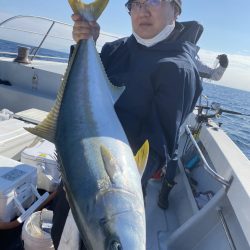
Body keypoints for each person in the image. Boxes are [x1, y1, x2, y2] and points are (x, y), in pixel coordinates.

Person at [51, 0, 220, 247]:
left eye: (153, 0)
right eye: (135, 3)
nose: (142, 10)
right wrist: (84, 43)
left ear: (176, 9)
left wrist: (114, 177)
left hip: (116, 183)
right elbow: (76, 103)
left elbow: (158, 146)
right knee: (60, 233)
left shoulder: (179, 71)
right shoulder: (112, 50)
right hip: (78, 176)